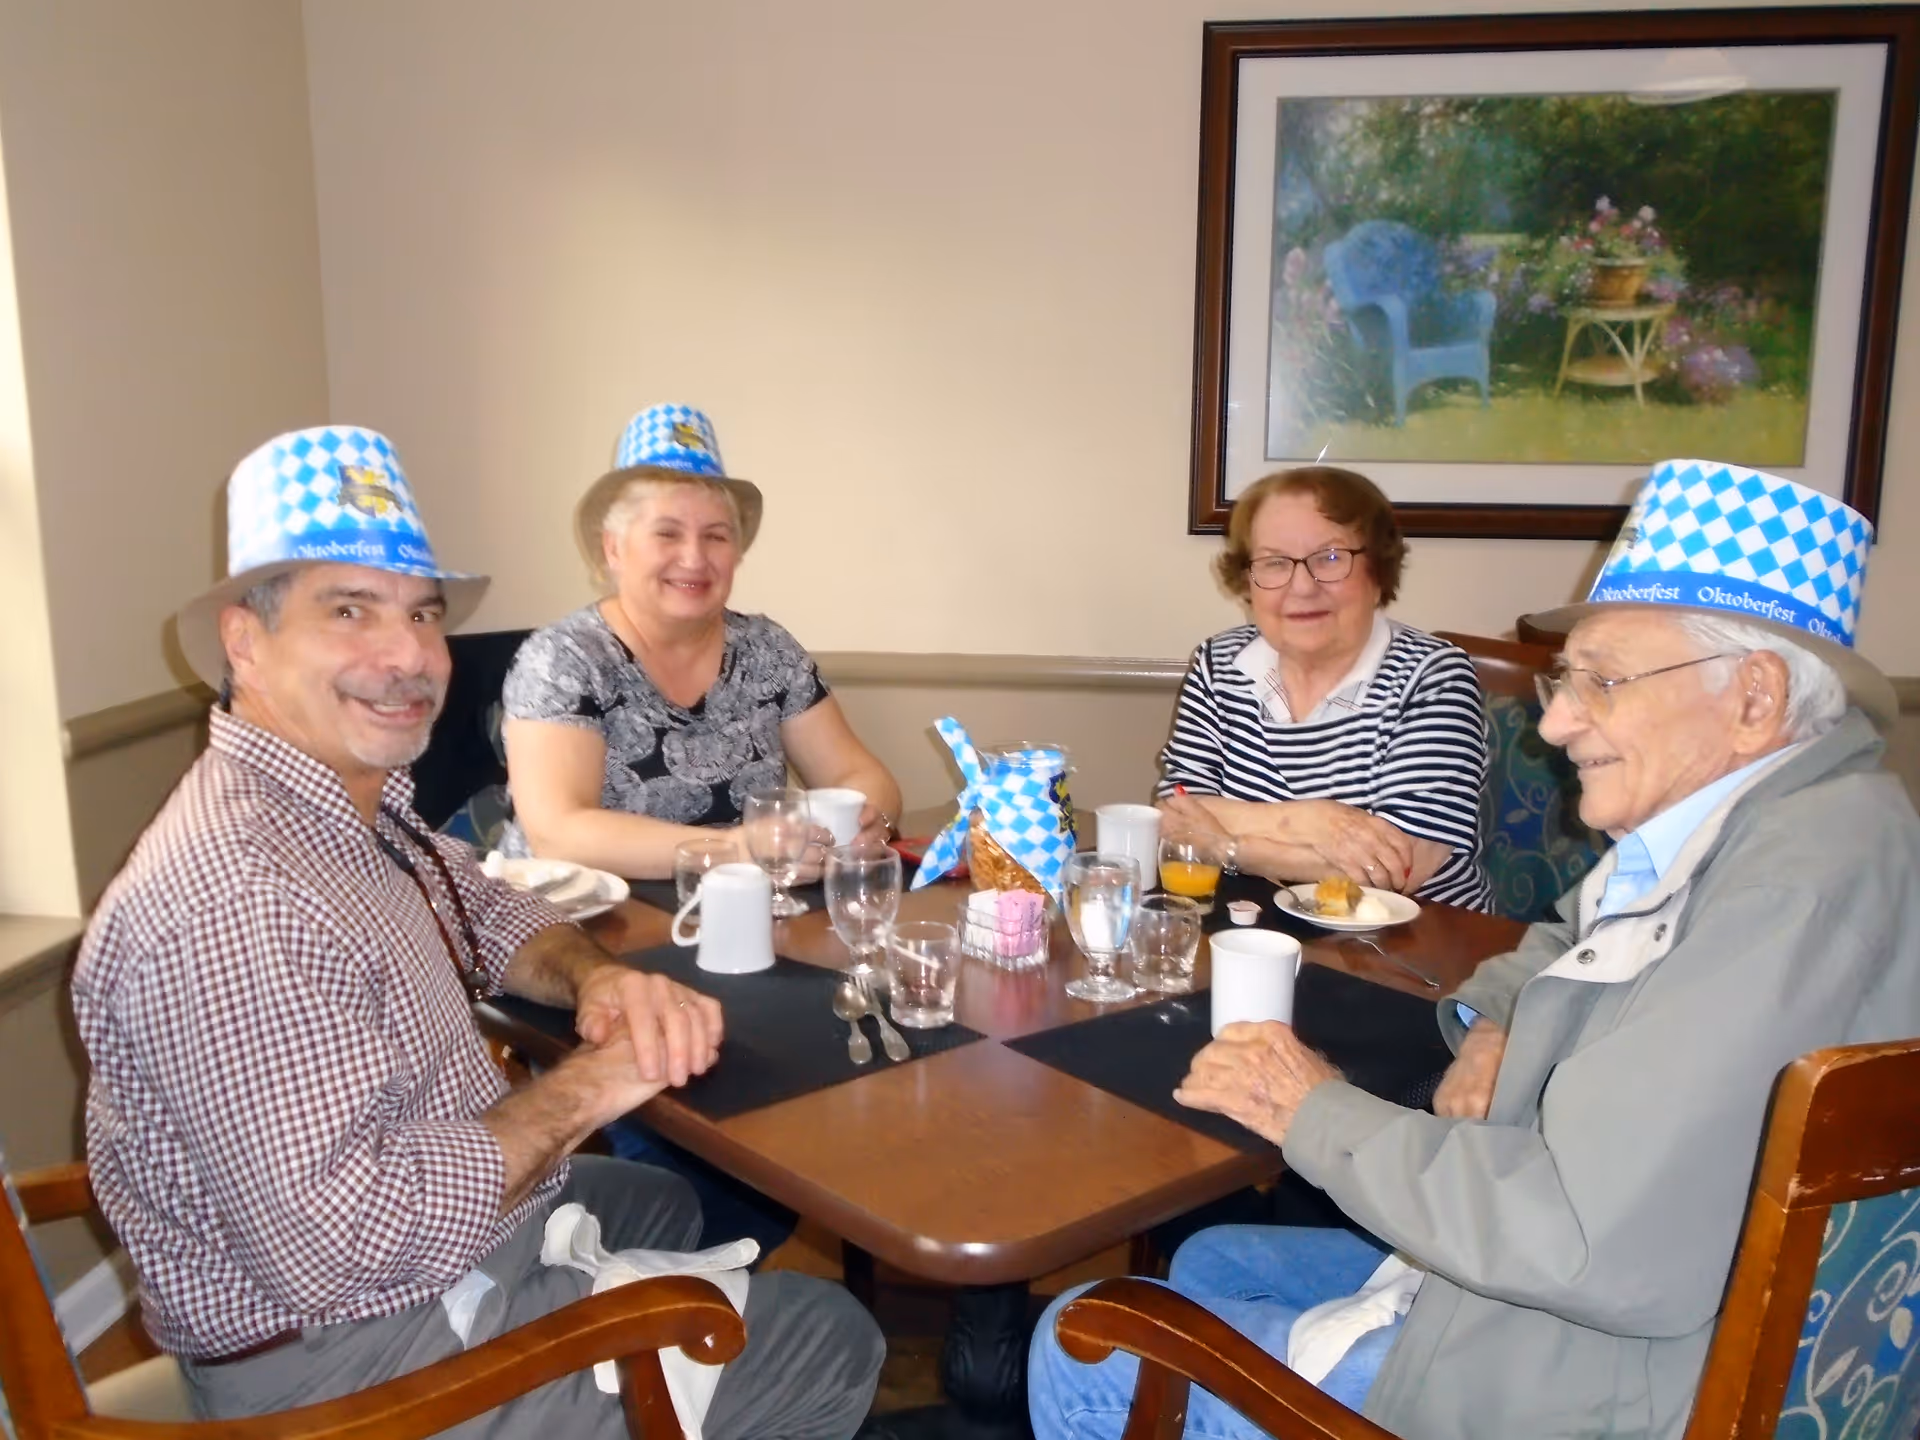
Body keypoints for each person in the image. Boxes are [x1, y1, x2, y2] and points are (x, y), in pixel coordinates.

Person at [1029, 458, 1920, 1440]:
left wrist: (1311, 1108)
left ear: (1754, 696)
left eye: (1601, 682)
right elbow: (1564, 935)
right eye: (1564, 679)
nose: (1555, 719)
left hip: (1599, 1378)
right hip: (1638, 1303)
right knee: (1208, 1265)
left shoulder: (1786, 893)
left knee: (1082, 1336)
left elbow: (1583, 1241)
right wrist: (1498, 1020)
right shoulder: (1775, 821)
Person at [72, 427, 883, 1439]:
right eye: (350, 610)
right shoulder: (238, 900)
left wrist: (596, 981)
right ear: (246, 640)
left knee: (670, 1206)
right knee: (829, 1333)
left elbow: (484, 902)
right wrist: (588, 1086)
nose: (410, 654)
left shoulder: (341, 805)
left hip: (411, 1256)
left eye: (422, 613)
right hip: (354, 1368)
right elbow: (349, 1245)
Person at [499, 404, 901, 879]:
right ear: (614, 548)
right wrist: (733, 850)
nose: (693, 558)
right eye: (667, 533)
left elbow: (863, 776)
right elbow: (559, 833)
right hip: (578, 922)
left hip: (735, 916)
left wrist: (870, 819)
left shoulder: (767, 649)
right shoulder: (562, 659)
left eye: (715, 536)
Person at [1156, 466, 1491, 911]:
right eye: (1274, 562)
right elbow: (1176, 813)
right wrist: (1309, 821)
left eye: (1330, 558)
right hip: (1263, 929)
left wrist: (1227, 847)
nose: (1301, 586)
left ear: (1377, 572)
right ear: (1248, 580)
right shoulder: (1219, 664)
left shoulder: (1434, 676)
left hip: (1413, 947)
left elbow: (1399, 868)